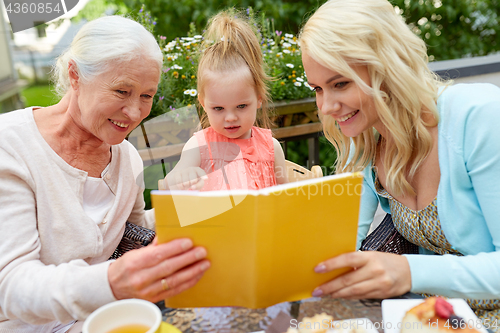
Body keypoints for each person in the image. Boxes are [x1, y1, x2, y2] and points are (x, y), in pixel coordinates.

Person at [0, 16, 210, 332]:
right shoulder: (11, 146)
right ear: (75, 76)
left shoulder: (126, 158)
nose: (136, 112)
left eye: (147, 95)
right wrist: (110, 281)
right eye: (122, 91)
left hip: (109, 320)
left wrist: (190, 204)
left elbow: (135, 232)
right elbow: (12, 286)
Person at [299, 0, 500, 323]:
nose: (326, 107)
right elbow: (336, 248)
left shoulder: (478, 117)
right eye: (318, 89)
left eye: (340, 84)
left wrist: (408, 270)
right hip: (434, 319)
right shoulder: (364, 144)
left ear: (386, 65)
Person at [163, 10, 288, 191]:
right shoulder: (200, 147)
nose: (230, 117)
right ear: (204, 104)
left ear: (259, 99)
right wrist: (181, 177)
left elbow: (284, 196)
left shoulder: (271, 147)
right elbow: (167, 184)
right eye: (219, 108)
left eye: (241, 106)